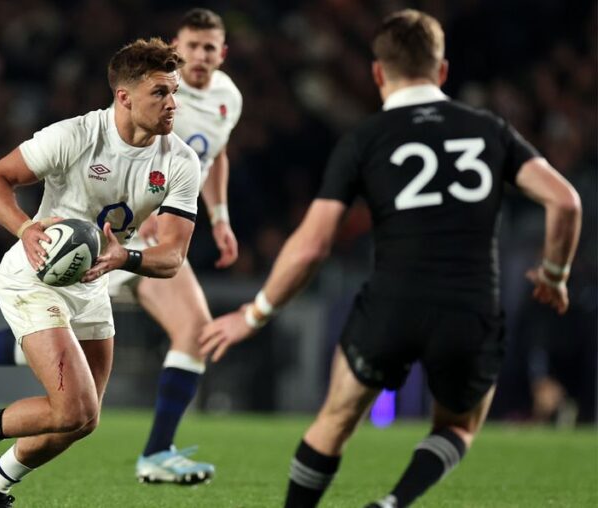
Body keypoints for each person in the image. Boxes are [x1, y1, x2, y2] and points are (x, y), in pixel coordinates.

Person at [199, 9, 581, 508]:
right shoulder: (490, 129)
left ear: (378, 73)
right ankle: (395, 502)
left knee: (334, 420)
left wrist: (255, 313)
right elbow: (565, 201)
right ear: (442, 71)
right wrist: (554, 274)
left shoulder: (365, 138)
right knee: (459, 426)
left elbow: (312, 243)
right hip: (470, 307)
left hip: (392, 303)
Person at [0, 8, 241, 485]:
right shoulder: (76, 135)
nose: (172, 105)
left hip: (93, 279)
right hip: (35, 273)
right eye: (160, 93)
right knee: (72, 404)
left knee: (83, 419)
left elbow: (173, 257)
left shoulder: (180, 161)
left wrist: (126, 256)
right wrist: (25, 228)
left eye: (174, 92)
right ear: (124, 97)